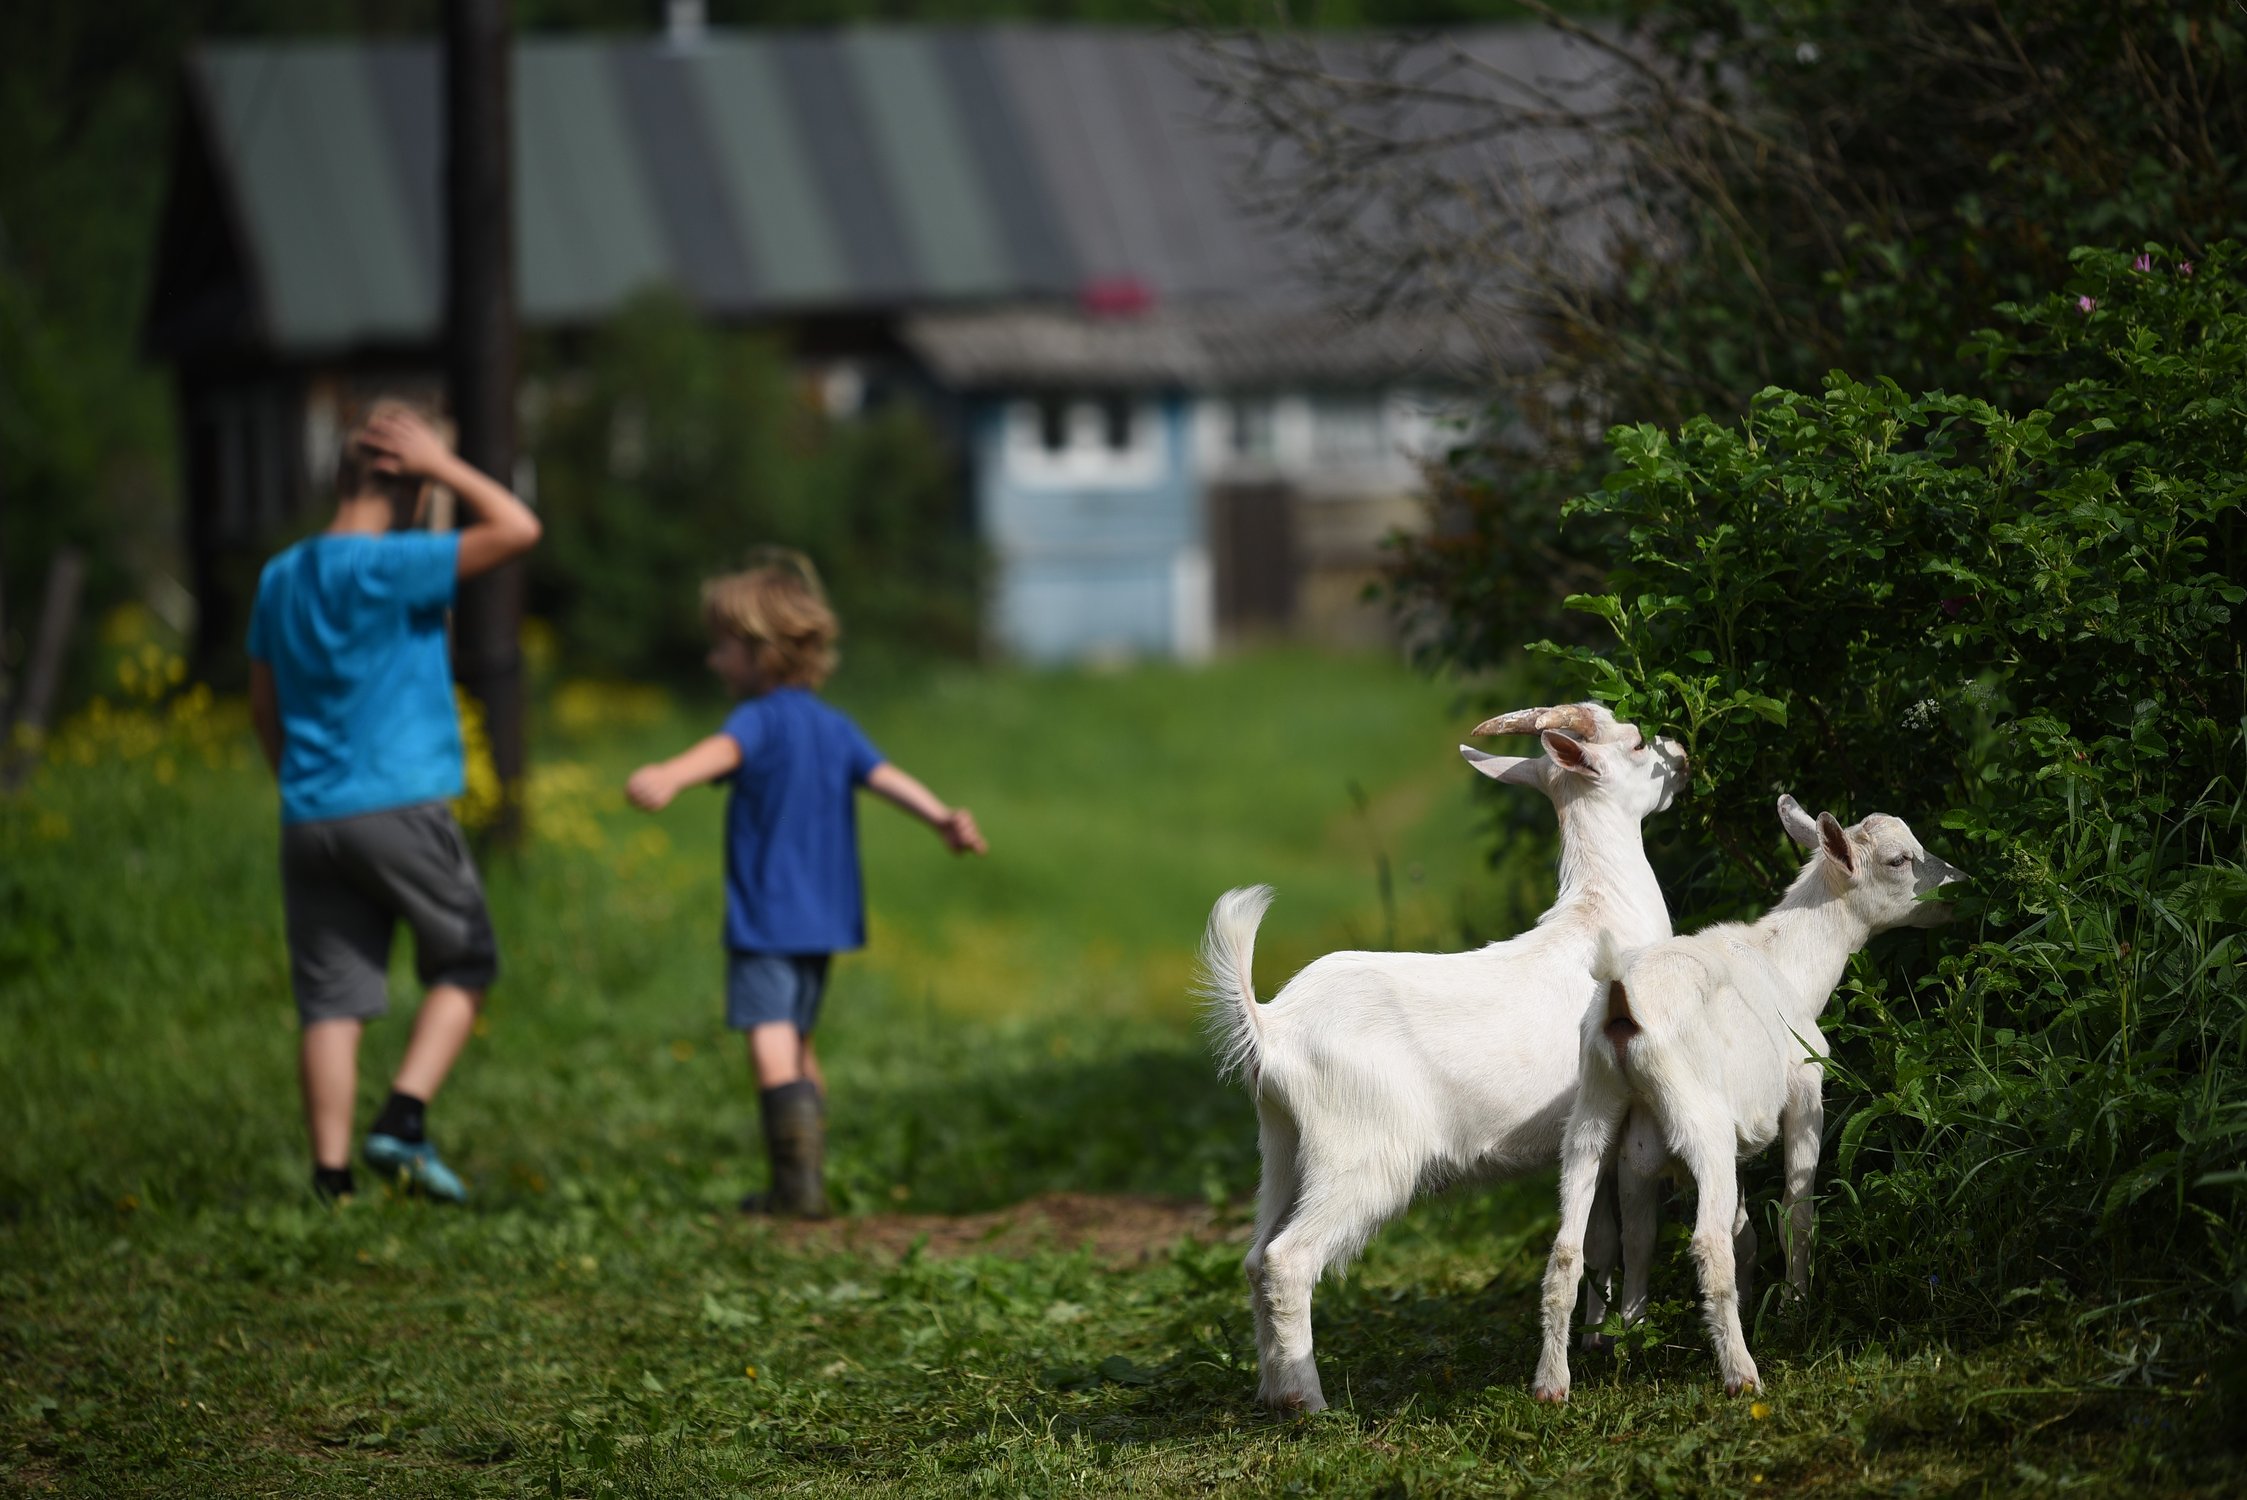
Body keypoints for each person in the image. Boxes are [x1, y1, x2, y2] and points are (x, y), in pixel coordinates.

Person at [624, 551, 986, 1218]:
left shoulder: (756, 719)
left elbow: (721, 753)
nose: (712, 661)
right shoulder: (832, 723)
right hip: (824, 916)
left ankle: (795, 1190)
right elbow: (886, 776)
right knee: (800, 1040)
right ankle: (805, 1180)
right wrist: (940, 816)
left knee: (768, 1034)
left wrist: (672, 773)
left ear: (760, 651)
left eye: (721, 648)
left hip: (766, 916)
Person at [247, 401, 541, 1203]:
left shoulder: (281, 574)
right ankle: (403, 1118)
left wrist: (299, 781)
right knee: (467, 958)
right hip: (402, 806)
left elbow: (263, 705)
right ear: (406, 482)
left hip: (310, 813)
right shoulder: (395, 563)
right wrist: (445, 466)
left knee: (331, 999)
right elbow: (519, 528)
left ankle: (331, 1178)